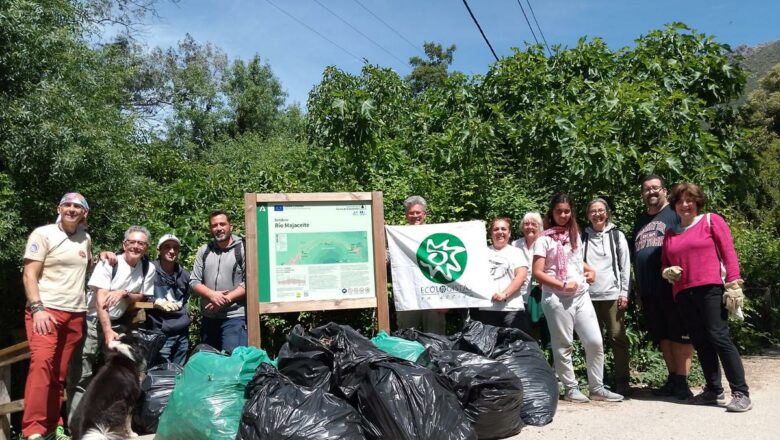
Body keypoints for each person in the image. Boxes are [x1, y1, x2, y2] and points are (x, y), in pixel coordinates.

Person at [661, 183, 752, 412]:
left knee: (719, 337)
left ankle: (741, 392)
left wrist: (733, 284)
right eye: (680, 201)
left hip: (710, 288)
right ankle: (713, 390)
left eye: (690, 200)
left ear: (697, 202)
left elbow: (728, 251)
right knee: (700, 341)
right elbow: (665, 263)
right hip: (683, 292)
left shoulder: (710, 221)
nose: (685, 205)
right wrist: (668, 272)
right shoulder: (671, 234)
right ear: (674, 206)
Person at [532, 193, 623, 403]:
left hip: (581, 295)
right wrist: (562, 284)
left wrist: (590, 270)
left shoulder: (574, 234)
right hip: (556, 298)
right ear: (551, 213)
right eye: (559, 211)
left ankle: (597, 387)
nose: (563, 215)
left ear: (571, 212)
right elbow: (538, 272)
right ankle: (571, 388)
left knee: (594, 341)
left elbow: (575, 262)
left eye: (567, 211)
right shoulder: (543, 239)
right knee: (563, 344)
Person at [21, 193, 92, 440]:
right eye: (67, 205)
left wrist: (106, 256)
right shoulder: (43, 234)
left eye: (78, 206)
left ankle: (52, 427)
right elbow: (29, 274)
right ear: (59, 208)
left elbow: (86, 269)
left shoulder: (86, 239)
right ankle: (32, 430)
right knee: (41, 366)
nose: (72, 209)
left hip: (75, 315)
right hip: (46, 311)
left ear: (84, 213)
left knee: (58, 374)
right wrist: (37, 308)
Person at [68, 225, 155, 422]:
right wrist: (107, 332)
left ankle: (111, 423)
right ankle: (77, 425)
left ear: (146, 248)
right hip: (91, 319)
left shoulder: (148, 267)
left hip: (117, 322)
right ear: (124, 244)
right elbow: (100, 299)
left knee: (126, 371)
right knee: (82, 372)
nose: (135, 246)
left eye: (140, 243)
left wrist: (123, 292)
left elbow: (141, 294)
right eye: (131, 242)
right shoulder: (109, 263)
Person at [631, 175, 694, 399]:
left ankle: (684, 382)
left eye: (655, 188)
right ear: (642, 194)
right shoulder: (639, 221)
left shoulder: (675, 214)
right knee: (663, 336)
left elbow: (690, 242)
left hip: (673, 287)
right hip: (649, 291)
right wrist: (638, 290)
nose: (651, 192)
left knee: (680, 335)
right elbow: (635, 257)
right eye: (647, 189)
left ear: (665, 191)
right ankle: (672, 378)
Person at [583, 198, 631, 396]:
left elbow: (625, 265)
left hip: (612, 295)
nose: (597, 214)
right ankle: (596, 382)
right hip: (587, 296)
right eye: (593, 211)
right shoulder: (581, 237)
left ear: (607, 213)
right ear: (588, 215)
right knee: (593, 341)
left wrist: (624, 292)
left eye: (601, 210)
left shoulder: (617, 235)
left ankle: (623, 381)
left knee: (617, 337)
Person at [191, 210, 247, 354]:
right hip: (209, 318)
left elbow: (250, 283)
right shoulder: (204, 251)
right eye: (214, 225)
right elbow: (194, 280)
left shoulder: (243, 249)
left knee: (232, 362)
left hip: (234, 318)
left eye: (222, 224)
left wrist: (225, 299)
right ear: (211, 229)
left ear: (231, 226)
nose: (219, 228)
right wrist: (211, 295)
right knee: (210, 363)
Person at [394, 196, 447, 334]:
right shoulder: (397, 236)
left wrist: (446, 300)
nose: (415, 216)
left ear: (424, 214)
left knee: (436, 336)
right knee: (407, 336)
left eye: (418, 213)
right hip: (408, 294)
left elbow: (445, 266)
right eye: (411, 213)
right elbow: (389, 257)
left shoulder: (435, 235)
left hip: (433, 295)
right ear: (406, 215)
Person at [474, 217, 531, 333]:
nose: (500, 232)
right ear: (491, 233)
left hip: (512, 309)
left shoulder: (517, 252)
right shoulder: (481, 252)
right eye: (496, 229)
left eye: (504, 229)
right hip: (487, 309)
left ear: (509, 233)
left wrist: (504, 294)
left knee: (515, 347)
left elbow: (521, 276)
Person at [146, 233, 191, 365]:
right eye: (167, 247)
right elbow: (139, 294)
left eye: (175, 248)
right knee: (161, 373)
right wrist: (155, 302)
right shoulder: (149, 270)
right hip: (159, 332)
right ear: (158, 249)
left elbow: (186, 298)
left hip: (182, 332)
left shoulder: (185, 275)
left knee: (179, 372)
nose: (171, 251)